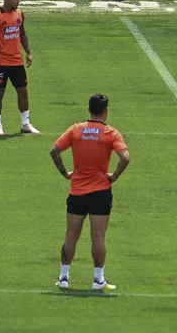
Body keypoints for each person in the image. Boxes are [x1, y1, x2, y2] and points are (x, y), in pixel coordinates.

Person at [50, 94, 130, 292]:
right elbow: (125, 157)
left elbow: (54, 151)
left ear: (89, 110)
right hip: (100, 192)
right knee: (98, 237)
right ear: (106, 111)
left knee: (71, 235)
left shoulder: (76, 129)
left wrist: (66, 173)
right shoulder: (111, 133)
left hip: (77, 191)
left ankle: (63, 278)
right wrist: (114, 176)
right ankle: (98, 280)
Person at [0, 0, 39, 136]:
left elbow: (22, 34)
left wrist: (28, 52)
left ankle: (25, 124)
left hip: (17, 61)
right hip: (1, 61)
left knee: (23, 92)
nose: (18, 2)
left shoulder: (19, 14)